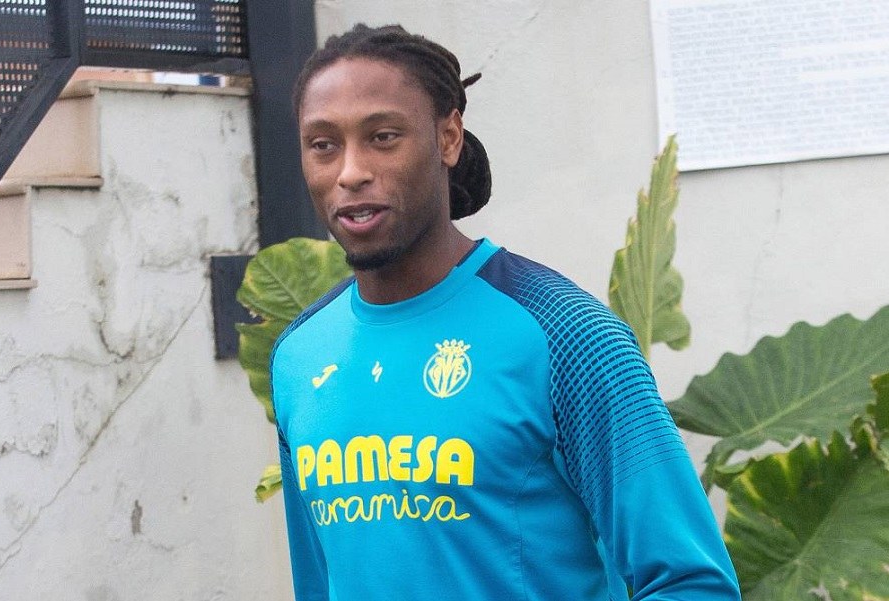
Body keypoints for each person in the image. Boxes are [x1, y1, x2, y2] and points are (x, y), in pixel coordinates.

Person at [270, 23, 740, 600]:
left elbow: (692, 582)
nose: (350, 172)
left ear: (448, 138)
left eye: (383, 137)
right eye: (323, 145)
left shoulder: (568, 337)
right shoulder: (298, 356)